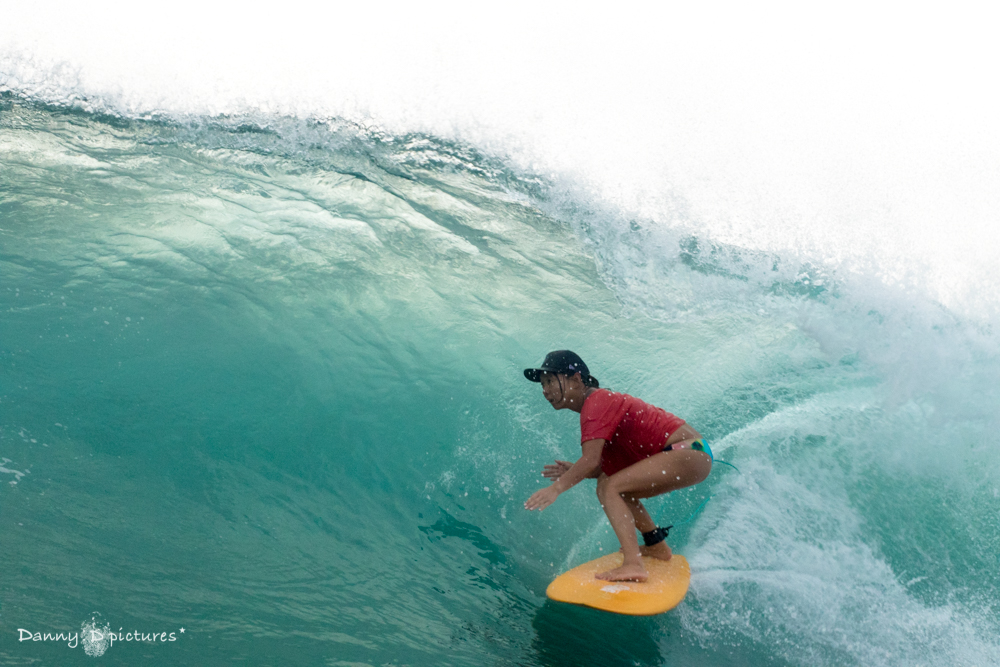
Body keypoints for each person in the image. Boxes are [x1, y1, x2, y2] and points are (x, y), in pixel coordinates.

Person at [522, 350, 712, 582]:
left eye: (550, 381)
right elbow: (600, 468)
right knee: (608, 484)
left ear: (576, 379)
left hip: (690, 451)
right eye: (543, 384)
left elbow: (590, 460)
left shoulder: (596, 402)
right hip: (693, 452)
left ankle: (633, 565)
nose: (545, 390)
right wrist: (575, 470)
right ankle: (656, 546)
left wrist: (556, 488)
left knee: (612, 487)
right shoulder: (600, 405)